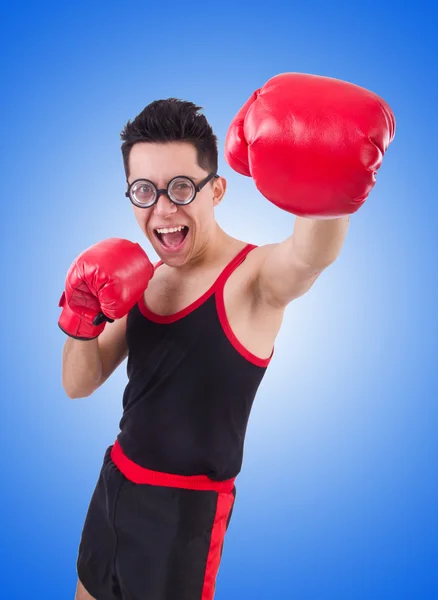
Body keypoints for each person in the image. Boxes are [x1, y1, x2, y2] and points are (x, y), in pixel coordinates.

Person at [58, 73, 395, 600]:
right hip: (113, 485)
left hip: (181, 516)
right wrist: (80, 317)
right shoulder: (140, 276)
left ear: (216, 189)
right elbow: (79, 384)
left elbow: (309, 257)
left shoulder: (252, 278)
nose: (163, 208)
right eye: (145, 191)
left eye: (181, 187)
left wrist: (325, 170)